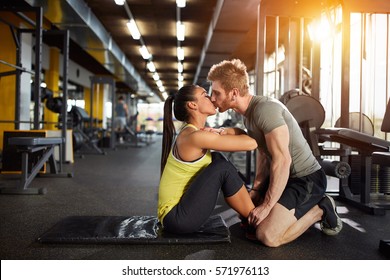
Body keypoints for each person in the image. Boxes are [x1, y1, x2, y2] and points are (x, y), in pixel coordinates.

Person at [207, 59, 343, 247]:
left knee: (267, 236)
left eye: (216, 93)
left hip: (306, 179)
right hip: (285, 179)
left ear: (234, 93)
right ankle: (284, 212)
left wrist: (267, 206)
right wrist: (256, 189)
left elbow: (282, 160)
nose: (212, 98)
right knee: (248, 220)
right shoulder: (249, 116)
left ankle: (320, 208)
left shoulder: (265, 110)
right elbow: (264, 155)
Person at [158, 84, 257, 234]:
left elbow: (245, 137)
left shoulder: (192, 132)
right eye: (205, 94)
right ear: (192, 105)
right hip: (177, 219)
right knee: (223, 169)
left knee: (217, 159)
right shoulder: (195, 137)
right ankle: (256, 219)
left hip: (176, 215)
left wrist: (221, 131)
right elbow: (252, 143)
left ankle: (248, 213)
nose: (211, 97)